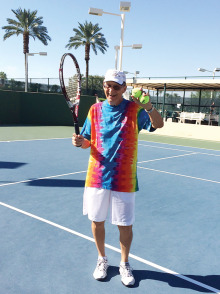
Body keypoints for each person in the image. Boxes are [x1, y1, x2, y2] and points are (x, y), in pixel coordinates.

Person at [72, 69, 164, 287]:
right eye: (107, 85)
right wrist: (80, 143)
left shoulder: (135, 110)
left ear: (124, 89)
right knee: (97, 221)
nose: (110, 90)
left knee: (125, 225)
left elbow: (158, 124)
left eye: (115, 86)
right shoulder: (94, 110)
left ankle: (124, 263)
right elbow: (87, 140)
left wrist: (148, 106)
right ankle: (102, 259)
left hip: (124, 178)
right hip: (96, 176)